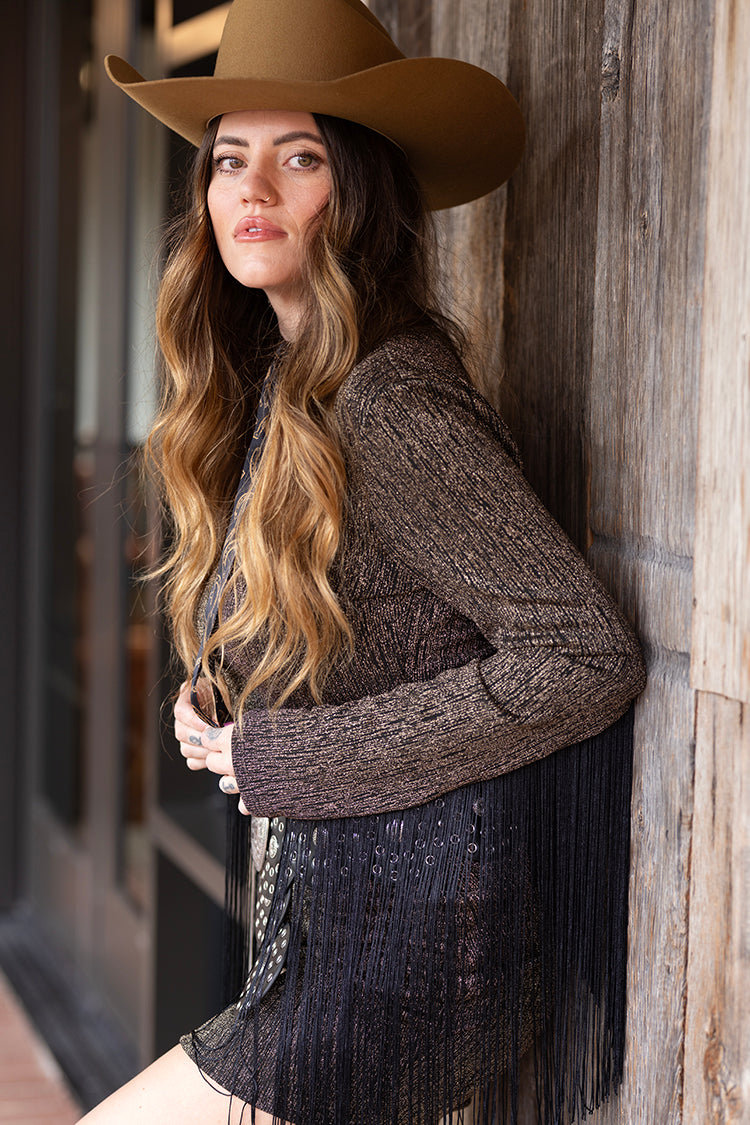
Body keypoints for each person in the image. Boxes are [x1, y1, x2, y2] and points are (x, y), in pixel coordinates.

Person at [81, 0, 646, 1122]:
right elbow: (380, 624)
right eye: (230, 159)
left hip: (421, 948)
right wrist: (223, 700)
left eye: (302, 160)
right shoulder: (282, 385)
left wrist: (285, 757)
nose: (254, 190)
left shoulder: (392, 400)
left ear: (361, 194)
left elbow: (585, 652)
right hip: (342, 922)